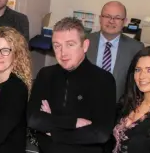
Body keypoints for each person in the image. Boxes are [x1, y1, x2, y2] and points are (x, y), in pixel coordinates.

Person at [27, 17, 116, 153]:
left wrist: (53, 130)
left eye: (70, 44)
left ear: (85, 45)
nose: (63, 53)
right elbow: (34, 120)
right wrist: (73, 123)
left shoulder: (103, 80)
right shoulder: (46, 75)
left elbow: (100, 133)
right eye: (57, 46)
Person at [86, 1, 144, 102]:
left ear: (124, 21)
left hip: (118, 108)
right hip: (83, 104)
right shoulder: (84, 42)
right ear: (100, 19)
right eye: (107, 16)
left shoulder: (136, 48)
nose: (111, 21)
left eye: (117, 18)